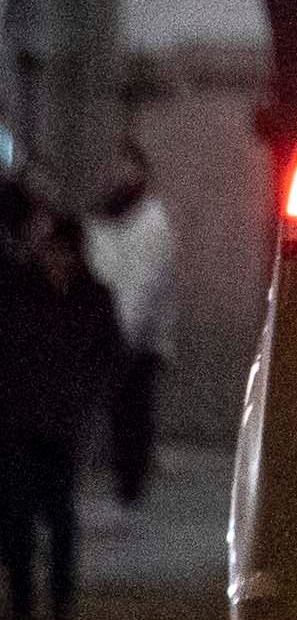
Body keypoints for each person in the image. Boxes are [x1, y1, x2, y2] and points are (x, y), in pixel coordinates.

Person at [0, 208, 123, 620]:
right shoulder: (18, 292)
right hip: (18, 421)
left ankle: (61, 600)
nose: (56, 258)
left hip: (63, 423)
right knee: (18, 515)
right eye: (50, 250)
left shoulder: (93, 297)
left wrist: (88, 398)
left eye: (63, 250)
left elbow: (109, 356)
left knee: (60, 515)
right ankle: (20, 602)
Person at [83, 143, 179, 509]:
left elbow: (145, 283)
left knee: (133, 411)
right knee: (116, 411)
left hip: (139, 341)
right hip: (108, 332)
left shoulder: (151, 222)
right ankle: (122, 480)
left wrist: (124, 331)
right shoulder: (104, 219)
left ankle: (131, 486)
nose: (117, 178)